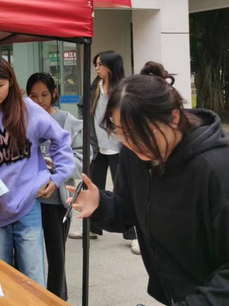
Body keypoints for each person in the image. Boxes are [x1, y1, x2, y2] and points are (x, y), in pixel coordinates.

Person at [68, 72, 229, 306]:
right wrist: (100, 204)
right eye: (122, 132)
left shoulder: (216, 169)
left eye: (142, 133)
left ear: (174, 118)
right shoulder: (134, 154)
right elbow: (128, 209)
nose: (133, 143)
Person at [0, 56, 74, 287]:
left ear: (11, 81)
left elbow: (61, 140)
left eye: (0, 85)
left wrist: (57, 178)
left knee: (34, 278)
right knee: (0, 280)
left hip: (27, 202)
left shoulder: (28, 109)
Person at [26, 72, 83, 300]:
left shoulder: (67, 120)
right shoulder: (22, 119)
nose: (39, 100)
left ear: (54, 93)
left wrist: (58, 166)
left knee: (56, 252)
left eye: (44, 95)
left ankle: (57, 297)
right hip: (28, 199)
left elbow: (83, 156)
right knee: (28, 251)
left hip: (56, 200)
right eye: (33, 96)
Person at [73, 50, 137, 248]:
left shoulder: (123, 89)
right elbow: (82, 107)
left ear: (111, 66)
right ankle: (92, 228)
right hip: (97, 147)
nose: (97, 68)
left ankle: (133, 236)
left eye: (100, 64)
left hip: (119, 148)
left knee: (124, 191)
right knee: (93, 187)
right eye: (96, 64)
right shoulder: (95, 87)